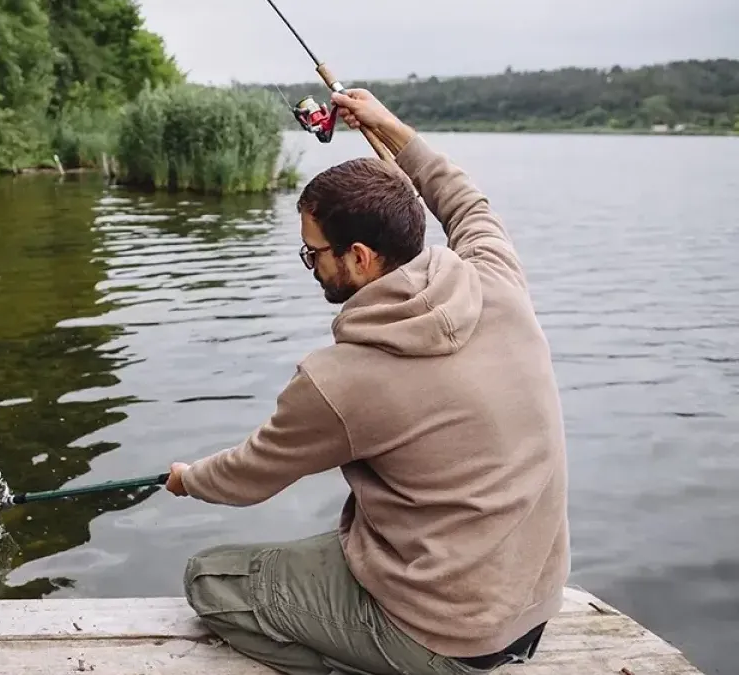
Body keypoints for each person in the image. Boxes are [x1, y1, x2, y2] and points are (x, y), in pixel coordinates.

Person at [163, 89, 570, 675]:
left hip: (448, 636)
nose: (311, 267)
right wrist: (388, 125)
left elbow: (249, 475)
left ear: (359, 258)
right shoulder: (496, 279)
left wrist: (187, 479)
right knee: (334, 543)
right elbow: (466, 203)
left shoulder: (339, 381)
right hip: (532, 607)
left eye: (313, 255)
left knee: (211, 580)